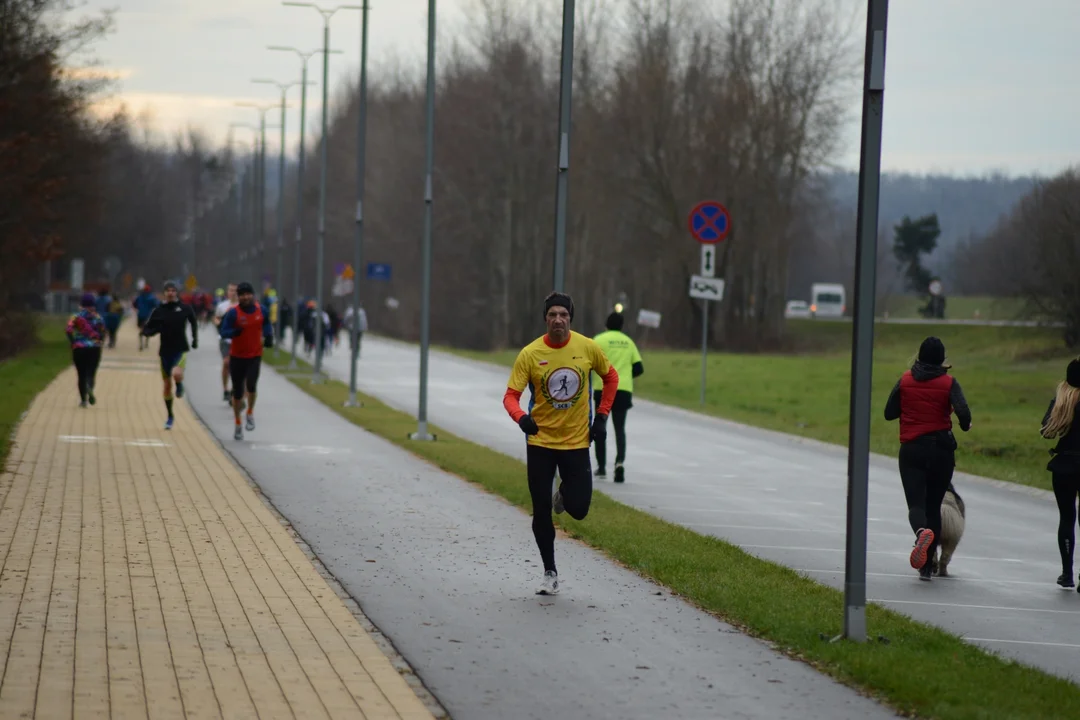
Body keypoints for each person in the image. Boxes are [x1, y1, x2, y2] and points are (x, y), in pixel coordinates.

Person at [503, 291, 619, 595]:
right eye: (553, 315)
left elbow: (612, 378)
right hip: (540, 442)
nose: (558, 320)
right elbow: (510, 396)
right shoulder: (530, 353)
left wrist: (603, 416)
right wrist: (520, 418)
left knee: (579, 509)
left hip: (577, 442)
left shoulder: (587, 348)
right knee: (541, 511)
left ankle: (564, 494)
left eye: (563, 315)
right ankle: (550, 572)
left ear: (570, 319)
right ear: (546, 319)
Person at [883, 337, 971, 581]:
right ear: (942, 359)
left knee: (916, 506)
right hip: (942, 451)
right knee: (934, 506)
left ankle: (921, 535)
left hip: (912, 449)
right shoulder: (949, 383)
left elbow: (889, 413)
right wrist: (965, 424)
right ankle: (927, 569)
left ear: (919, 356)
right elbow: (964, 414)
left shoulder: (905, 380)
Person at [1040, 358, 1080, 592]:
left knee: (1067, 518)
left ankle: (1067, 574)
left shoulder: (1061, 402)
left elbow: (1046, 431)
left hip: (1064, 465)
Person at [591, 312, 644, 483]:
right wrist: (625, 375)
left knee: (601, 427)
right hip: (623, 390)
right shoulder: (628, 342)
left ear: (606, 325)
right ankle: (619, 462)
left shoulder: (598, 340)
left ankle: (601, 467)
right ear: (622, 326)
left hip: (603, 389)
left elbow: (588, 362)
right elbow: (639, 368)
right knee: (619, 429)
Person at [219, 281, 273, 441]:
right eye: (242, 294)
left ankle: (249, 412)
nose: (245, 297)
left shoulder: (261, 310)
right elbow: (223, 331)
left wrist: (269, 336)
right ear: (238, 296)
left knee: (251, 386)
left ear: (252, 294)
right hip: (237, 357)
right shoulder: (233, 313)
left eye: (248, 294)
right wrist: (234, 332)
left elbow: (267, 324)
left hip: (255, 355)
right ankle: (237, 422)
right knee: (237, 393)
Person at [141, 280, 198, 430]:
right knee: (166, 386)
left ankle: (179, 385)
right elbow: (148, 328)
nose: (171, 293)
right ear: (164, 293)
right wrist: (148, 332)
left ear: (177, 292)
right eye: (168, 290)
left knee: (176, 373)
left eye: (173, 290)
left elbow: (193, 322)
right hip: (165, 351)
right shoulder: (159, 310)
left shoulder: (184, 308)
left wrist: (195, 339)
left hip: (180, 349)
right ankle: (170, 415)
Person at [66, 293, 106, 407]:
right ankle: (90, 386)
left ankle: (83, 400)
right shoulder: (98, 317)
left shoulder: (76, 317)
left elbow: (68, 330)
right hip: (94, 348)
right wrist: (100, 341)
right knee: (91, 373)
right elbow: (103, 331)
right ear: (93, 305)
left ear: (81, 304)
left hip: (79, 348)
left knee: (81, 374)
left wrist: (73, 341)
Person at [213, 283, 239, 402]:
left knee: (237, 366)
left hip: (238, 340)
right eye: (230, 290)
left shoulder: (241, 306)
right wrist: (218, 322)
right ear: (227, 292)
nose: (232, 293)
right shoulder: (222, 306)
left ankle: (235, 389)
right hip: (225, 340)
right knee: (226, 362)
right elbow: (216, 317)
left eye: (235, 290)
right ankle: (225, 389)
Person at [133, 285, 159, 351]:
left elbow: (134, 304)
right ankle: (146, 343)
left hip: (140, 315)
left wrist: (138, 308)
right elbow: (156, 305)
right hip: (148, 316)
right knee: (147, 329)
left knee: (141, 329)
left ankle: (141, 343)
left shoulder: (139, 297)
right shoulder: (151, 297)